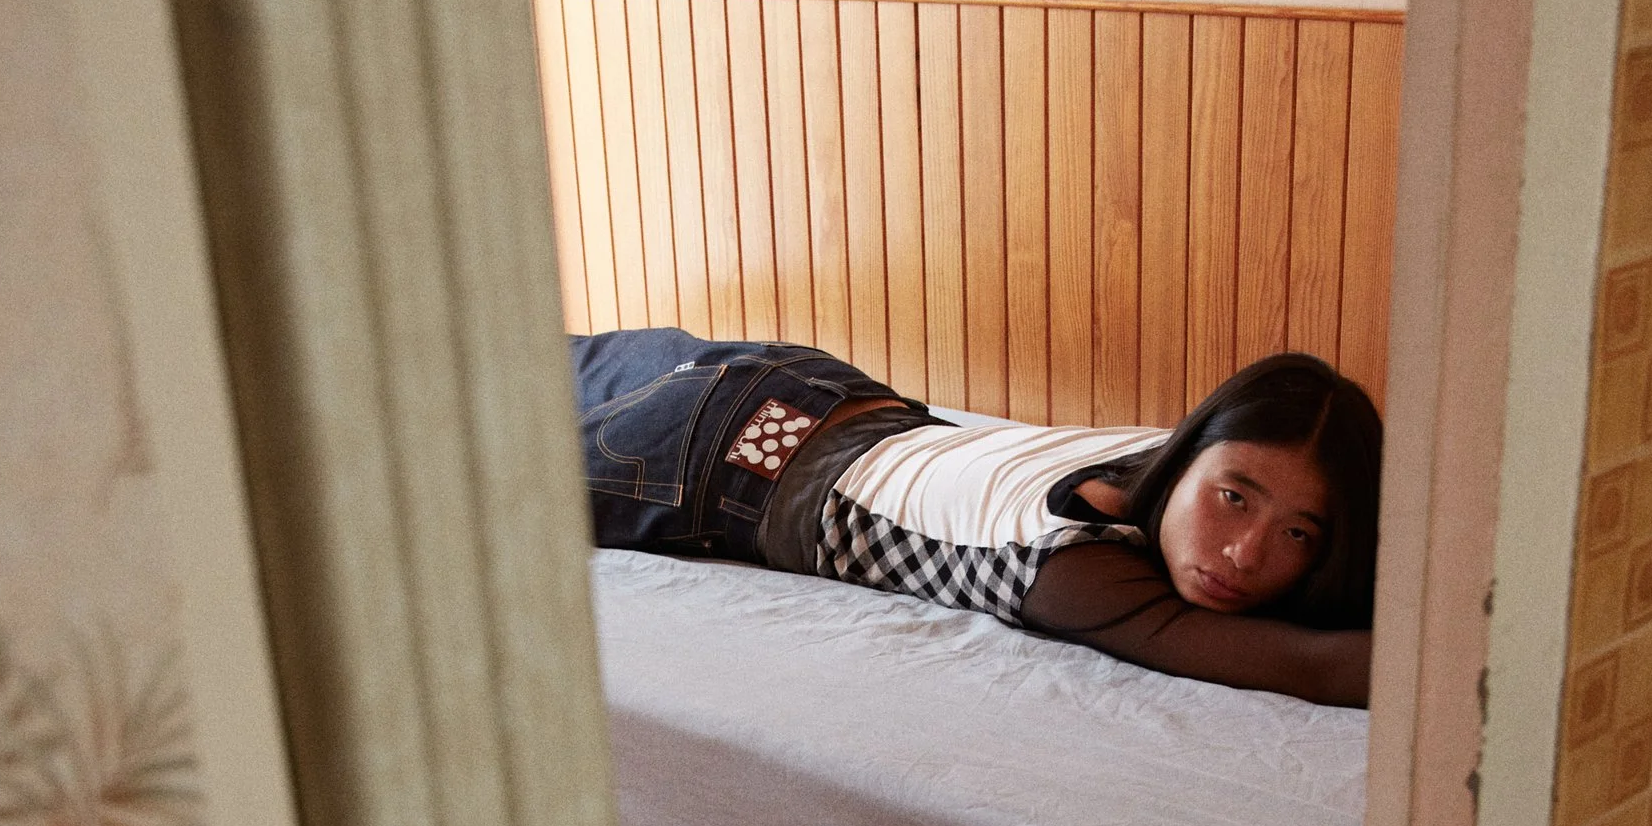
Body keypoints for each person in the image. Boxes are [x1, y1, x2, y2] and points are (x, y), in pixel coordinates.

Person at [569, 327, 1381, 707]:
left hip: (818, 388)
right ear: (1192, 454)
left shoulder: (1158, 453)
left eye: (1297, 532)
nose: (1244, 554)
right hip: (726, 462)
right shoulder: (1071, 565)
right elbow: (1314, 667)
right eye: (1233, 498)